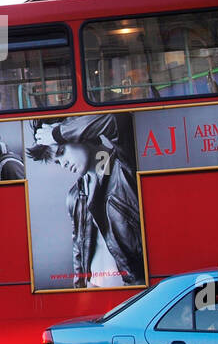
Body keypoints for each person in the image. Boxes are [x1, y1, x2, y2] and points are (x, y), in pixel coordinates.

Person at [28, 115, 142, 288]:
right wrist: (80, 290)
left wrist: (58, 133)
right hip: (94, 291)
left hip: (131, 291)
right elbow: (79, 253)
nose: (63, 163)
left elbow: (117, 120)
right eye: (57, 162)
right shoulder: (75, 196)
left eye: (61, 152)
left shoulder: (122, 166)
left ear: (77, 135)